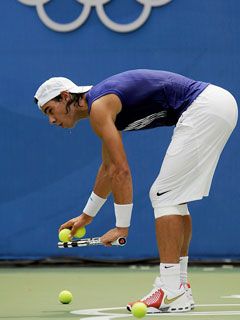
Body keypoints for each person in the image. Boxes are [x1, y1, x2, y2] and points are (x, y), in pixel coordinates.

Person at [34, 69, 238, 313]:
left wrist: (122, 227)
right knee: (173, 198)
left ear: (65, 97)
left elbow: (121, 171)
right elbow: (108, 168)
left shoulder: (99, 107)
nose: (52, 120)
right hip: (215, 105)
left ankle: (171, 291)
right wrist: (86, 216)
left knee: (164, 194)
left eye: (50, 110)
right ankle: (178, 285)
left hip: (205, 107)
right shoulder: (102, 108)